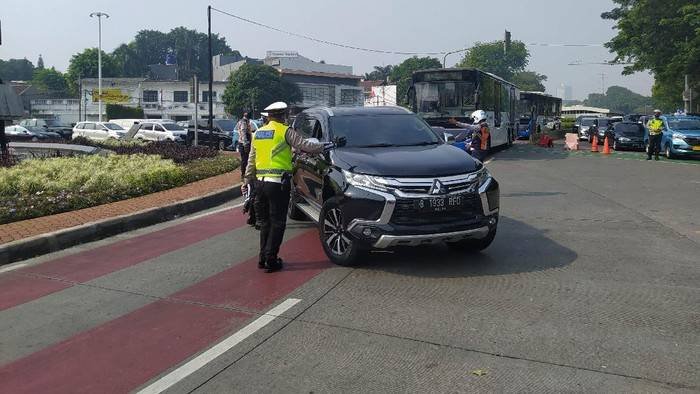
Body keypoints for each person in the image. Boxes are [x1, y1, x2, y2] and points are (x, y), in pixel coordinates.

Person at [242, 102, 331, 273]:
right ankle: (271, 259)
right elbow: (305, 145)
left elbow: (251, 160)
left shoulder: (258, 133)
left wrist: (246, 181)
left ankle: (262, 258)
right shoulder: (285, 131)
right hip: (277, 184)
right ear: (283, 115)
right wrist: (326, 145)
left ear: (268, 116)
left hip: (259, 184)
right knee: (278, 222)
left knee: (265, 222)